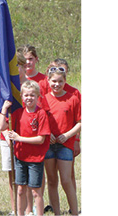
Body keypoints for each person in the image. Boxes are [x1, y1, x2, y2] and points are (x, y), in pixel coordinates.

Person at [4, 80, 50, 216]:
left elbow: (41, 139)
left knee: (36, 191)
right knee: (20, 189)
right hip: (20, 157)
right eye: (26, 95)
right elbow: (2, 125)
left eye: (32, 95)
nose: (29, 98)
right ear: (22, 97)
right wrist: (4, 109)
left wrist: (19, 139)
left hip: (35, 159)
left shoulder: (41, 114)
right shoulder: (18, 113)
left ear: (37, 96)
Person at [42, 59, 81, 214]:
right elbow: (40, 120)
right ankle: (56, 212)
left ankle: (75, 211)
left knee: (66, 180)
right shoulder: (43, 99)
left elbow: (80, 122)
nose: (56, 85)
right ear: (48, 81)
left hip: (65, 145)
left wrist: (68, 135)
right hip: (48, 145)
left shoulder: (73, 98)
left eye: (59, 81)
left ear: (65, 81)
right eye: (53, 81)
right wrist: (48, 134)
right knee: (52, 180)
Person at [0, 52, 27, 215]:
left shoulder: (30, 88)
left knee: (29, 174)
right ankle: (15, 208)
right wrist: (6, 134)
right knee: (13, 176)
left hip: (28, 138)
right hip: (8, 138)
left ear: (23, 67)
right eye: (10, 68)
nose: (14, 70)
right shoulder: (5, 90)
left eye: (17, 66)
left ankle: (29, 208)